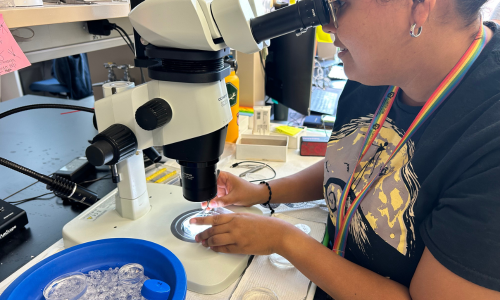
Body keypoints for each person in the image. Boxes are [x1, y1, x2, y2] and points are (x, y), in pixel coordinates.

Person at [189, 0, 500, 298]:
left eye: (338, 4)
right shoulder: (378, 64)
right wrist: (263, 191)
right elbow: (354, 162)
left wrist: (283, 238)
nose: (325, 25)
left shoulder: (489, 141)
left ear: (419, 4)